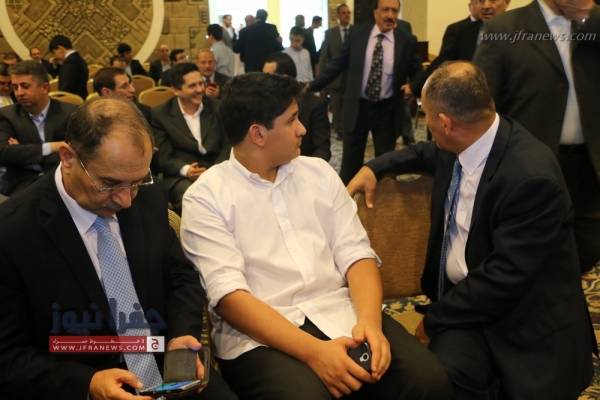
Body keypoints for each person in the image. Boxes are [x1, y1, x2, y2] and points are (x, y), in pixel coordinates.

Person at [180, 72, 451, 400]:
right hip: (261, 337)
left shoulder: (318, 173)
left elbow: (357, 254)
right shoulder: (206, 197)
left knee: (428, 380)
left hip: (341, 311)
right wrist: (315, 353)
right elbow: (230, 298)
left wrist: (370, 324)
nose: (302, 129)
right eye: (291, 120)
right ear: (258, 134)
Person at [348, 61, 595, 399]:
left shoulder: (530, 177)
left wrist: (433, 320)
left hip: (524, 319)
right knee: (436, 379)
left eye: (426, 114)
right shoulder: (466, 139)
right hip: (467, 304)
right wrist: (375, 167)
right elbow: (422, 152)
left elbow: (504, 278)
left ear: (445, 123)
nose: (426, 123)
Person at [0, 97, 237, 400]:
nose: (126, 200)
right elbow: (8, 356)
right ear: (68, 157)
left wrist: (181, 335)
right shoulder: (13, 232)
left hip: (168, 369)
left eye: (137, 181)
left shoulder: (148, 195)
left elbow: (180, 277)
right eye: (109, 184)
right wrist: (88, 384)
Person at [474, 0, 600, 272]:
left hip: (588, 164)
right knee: (533, 249)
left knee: (588, 245)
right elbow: (484, 105)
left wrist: (589, 15)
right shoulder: (504, 28)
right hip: (533, 166)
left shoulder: (592, 22)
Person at [309, 0, 420, 184]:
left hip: (387, 111)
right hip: (357, 108)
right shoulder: (357, 34)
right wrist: (312, 86)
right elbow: (337, 64)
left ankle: (383, 200)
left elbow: (417, 71)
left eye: (394, 11)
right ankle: (346, 199)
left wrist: (413, 87)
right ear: (375, 13)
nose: (390, 15)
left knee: (386, 166)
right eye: (385, 10)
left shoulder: (406, 40)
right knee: (350, 165)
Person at [151, 63, 229, 214]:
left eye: (201, 83)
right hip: (182, 177)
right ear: (176, 90)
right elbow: (163, 156)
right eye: (192, 86)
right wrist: (186, 170)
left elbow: (229, 144)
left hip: (218, 169)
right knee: (196, 200)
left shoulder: (218, 107)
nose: (200, 89)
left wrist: (214, 171)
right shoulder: (161, 114)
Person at [0, 61, 75, 196]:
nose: (19, 93)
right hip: (21, 184)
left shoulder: (70, 113)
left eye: (25, 86)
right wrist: (52, 147)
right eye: (15, 87)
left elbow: (77, 153)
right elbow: (3, 153)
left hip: (63, 181)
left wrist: (22, 152)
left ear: (45, 88)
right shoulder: (7, 115)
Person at [409, 0, 510, 97]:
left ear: (507, 2)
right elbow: (444, 64)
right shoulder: (464, 32)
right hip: (470, 100)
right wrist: (415, 87)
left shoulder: (517, 32)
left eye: (493, 0)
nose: (485, 6)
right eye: (481, 0)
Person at [263, 52, 330, 160]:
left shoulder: (313, 104)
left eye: (268, 78)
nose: (264, 83)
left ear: (285, 79)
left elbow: (323, 150)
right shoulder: (263, 102)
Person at [318, 3, 352, 139]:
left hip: (352, 78)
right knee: (337, 107)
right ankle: (339, 130)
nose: (346, 15)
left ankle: (349, 129)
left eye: (348, 13)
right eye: (343, 13)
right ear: (338, 15)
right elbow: (323, 57)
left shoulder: (356, 32)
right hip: (335, 78)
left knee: (350, 106)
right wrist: (321, 80)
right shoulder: (330, 34)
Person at [49, 34, 89, 99]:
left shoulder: (70, 63)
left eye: (54, 53)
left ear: (60, 48)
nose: (54, 56)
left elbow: (65, 91)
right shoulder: (77, 58)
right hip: (81, 98)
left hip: (73, 102)